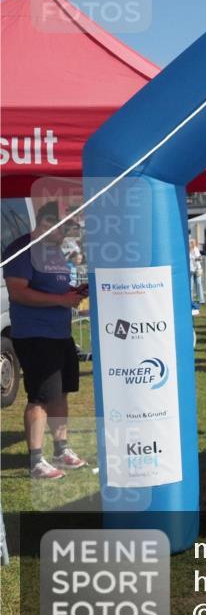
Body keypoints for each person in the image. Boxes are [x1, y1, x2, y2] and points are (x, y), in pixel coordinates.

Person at [1, 202, 88, 479]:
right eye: (64, 228)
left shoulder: (53, 251)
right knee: (39, 396)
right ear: (47, 224)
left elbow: (54, 288)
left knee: (60, 394)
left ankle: (61, 449)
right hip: (35, 335)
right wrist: (62, 300)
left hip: (60, 333)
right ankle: (36, 460)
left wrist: (73, 291)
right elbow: (18, 293)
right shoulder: (22, 249)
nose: (67, 234)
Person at [188, 238, 205, 305]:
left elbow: (199, 258)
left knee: (199, 284)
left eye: (194, 243)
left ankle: (202, 300)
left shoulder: (196, 249)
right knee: (191, 286)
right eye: (193, 243)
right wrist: (196, 258)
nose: (194, 244)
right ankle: (191, 300)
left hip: (197, 269)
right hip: (191, 269)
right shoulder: (187, 251)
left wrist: (198, 258)